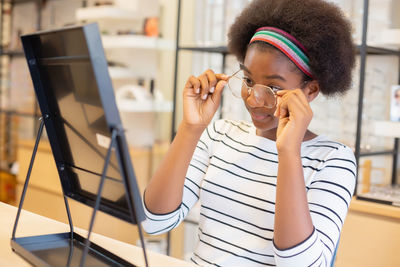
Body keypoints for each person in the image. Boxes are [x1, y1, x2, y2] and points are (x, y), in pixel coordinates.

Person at [142, 0, 356, 266]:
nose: (254, 99)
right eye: (248, 80)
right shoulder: (219, 134)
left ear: (310, 91)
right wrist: (191, 128)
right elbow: (154, 221)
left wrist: (288, 152)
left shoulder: (333, 160)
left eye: (273, 88)